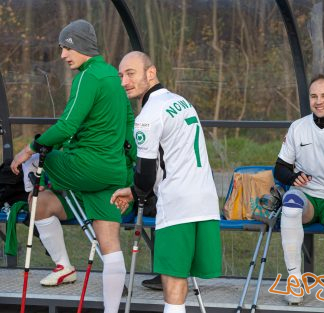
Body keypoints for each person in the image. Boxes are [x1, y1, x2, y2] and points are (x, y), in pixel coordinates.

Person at [10, 20, 136, 313]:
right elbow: (129, 126)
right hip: (112, 174)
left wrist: (30, 147)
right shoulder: (113, 77)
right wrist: (127, 170)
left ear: (81, 46)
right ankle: (107, 306)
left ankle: (44, 193)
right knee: (109, 245)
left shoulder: (88, 77)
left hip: (85, 168)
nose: (64, 55)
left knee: (35, 160)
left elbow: (67, 126)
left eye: (67, 47)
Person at [112, 51, 222, 313]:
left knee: (172, 281)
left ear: (151, 73)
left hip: (178, 204)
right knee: (180, 276)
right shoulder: (181, 101)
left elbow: (146, 174)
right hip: (205, 199)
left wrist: (134, 191)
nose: (124, 82)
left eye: (130, 74)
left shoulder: (147, 117)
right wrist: (138, 189)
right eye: (120, 76)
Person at [274, 74, 324, 305]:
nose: (319, 101)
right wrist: (293, 176)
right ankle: (295, 280)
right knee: (290, 201)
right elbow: (279, 169)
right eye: (314, 96)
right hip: (308, 198)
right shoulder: (298, 127)